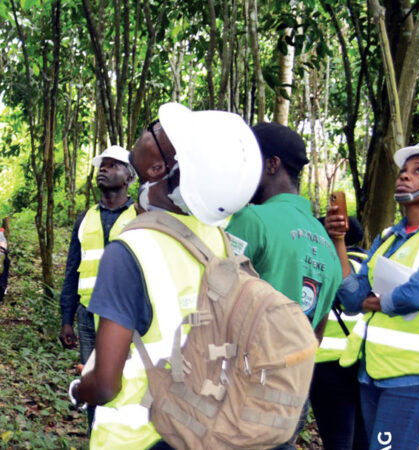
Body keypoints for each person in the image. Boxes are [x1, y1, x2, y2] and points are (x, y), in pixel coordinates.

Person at [69, 103, 262, 449]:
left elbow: (105, 386)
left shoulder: (129, 250)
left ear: (158, 166)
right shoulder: (217, 240)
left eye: (154, 128)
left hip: (136, 438)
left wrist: (79, 388)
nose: (147, 130)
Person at [225, 122, 342, 449]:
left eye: (250, 163)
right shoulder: (325, 243)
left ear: (272, 165)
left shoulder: (253, 219)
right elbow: (316, 330)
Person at [332, 138, 419, 450]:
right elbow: (354, 299)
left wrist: (380, 301)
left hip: (415, 376)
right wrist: (339, 240)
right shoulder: (388, 237)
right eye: (403, 171)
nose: (404, 176)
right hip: (374, 372)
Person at [57, 144, 136, 429]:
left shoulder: (140, 216)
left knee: (129, 383)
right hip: (88, 316)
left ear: (129, 177)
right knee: (92, 384)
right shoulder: (85, 218)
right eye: (102, 165)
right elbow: (71, 271)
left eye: (113, 165)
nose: (104, 169)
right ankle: (96, 436)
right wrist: (67, 318)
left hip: (127, 319)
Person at [312, 215, 369, 450]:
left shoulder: (322, 262)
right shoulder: (371, 264)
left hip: (327, 363)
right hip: (365, 361)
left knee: (337, 439)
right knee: (363, 438)